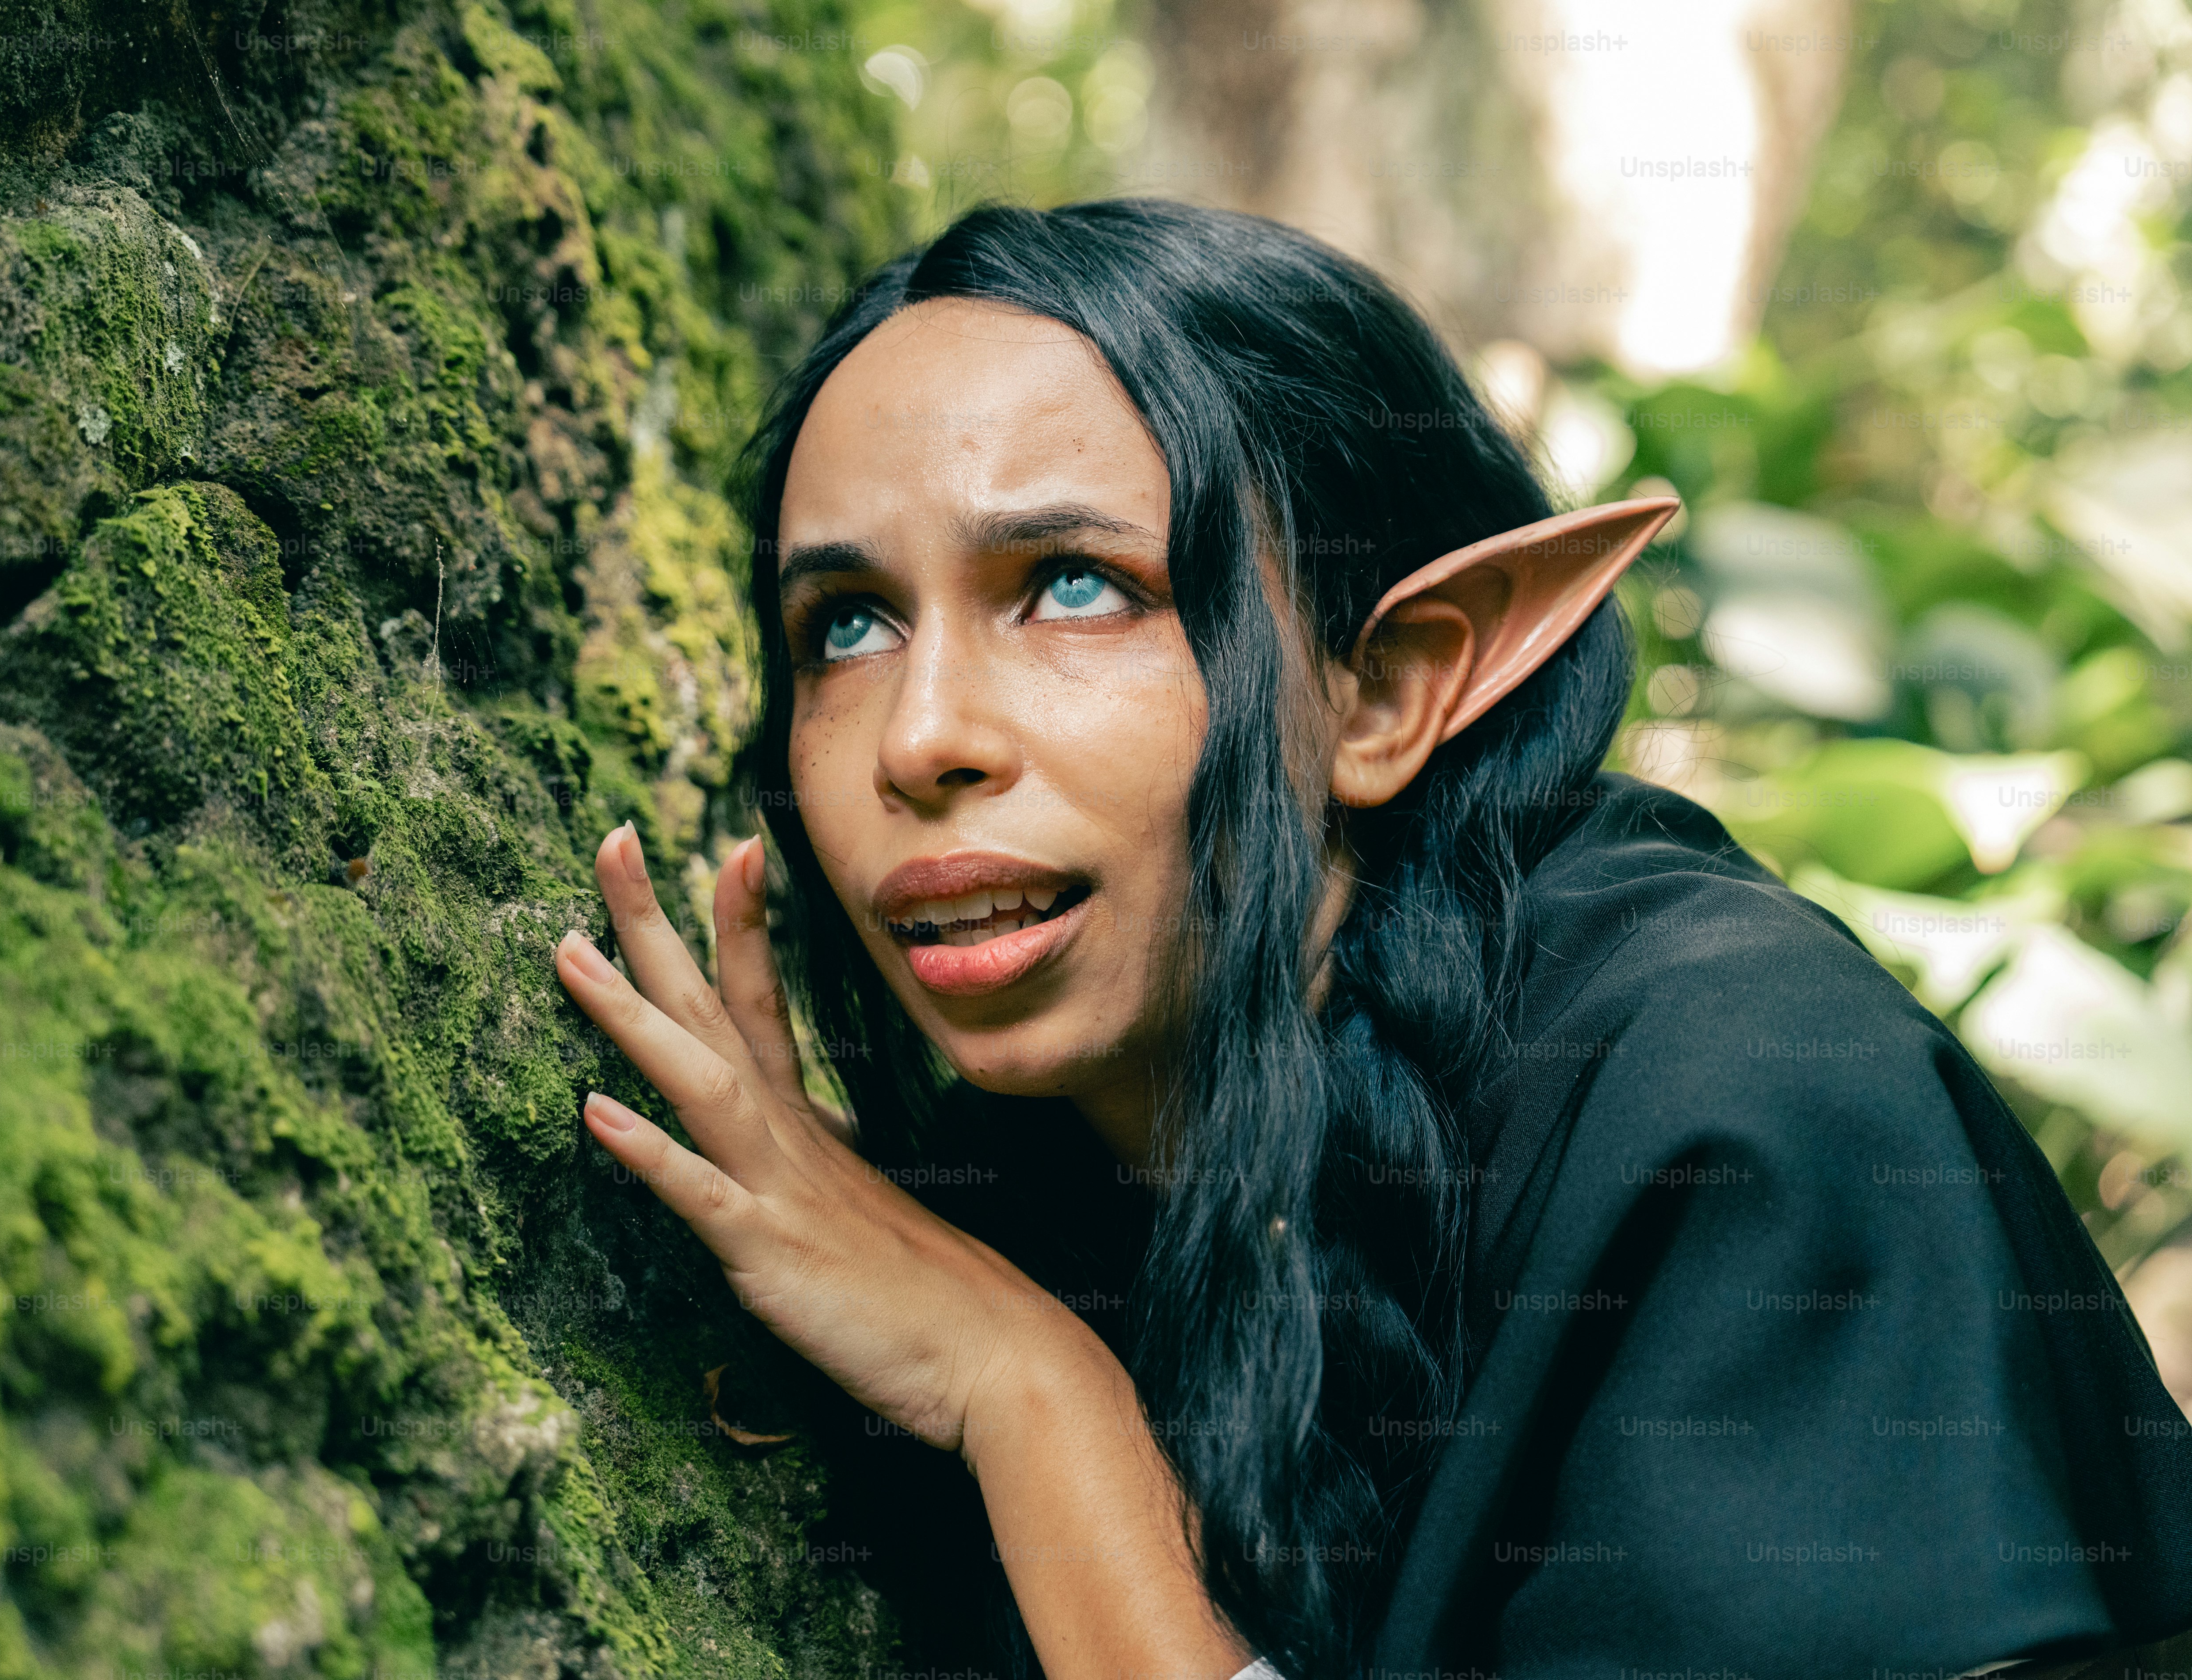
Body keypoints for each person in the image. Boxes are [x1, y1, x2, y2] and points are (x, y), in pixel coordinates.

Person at [552, 200, 2192, 1680]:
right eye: (845, 623)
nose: (918, 738)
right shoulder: (1054, 1157)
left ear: (1391, 686)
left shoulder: (1749, 1104)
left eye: (1070, 587)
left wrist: (1031, 1393)